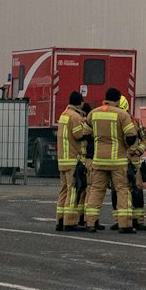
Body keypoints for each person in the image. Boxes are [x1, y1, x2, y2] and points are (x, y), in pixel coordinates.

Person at [87, 88, 135, 233]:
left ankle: (91, 223)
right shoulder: (122, 114)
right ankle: (124, 224)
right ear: (118, 100)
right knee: (122, 190)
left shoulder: (93, 113)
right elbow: (131, 136)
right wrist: (125, 146)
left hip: (99, 160)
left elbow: (85, 133)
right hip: (117, 161)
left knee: (96, 190)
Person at [53, 92, 91, 232]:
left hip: (63, 160)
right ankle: (69, 222)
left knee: (63, 190)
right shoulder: (75, 117)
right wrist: (88, 129)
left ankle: (60, 220)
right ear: (80, 102)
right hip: (73, 159)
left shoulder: (64, 114)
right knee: (73, 190)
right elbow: (79, 135)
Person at [119, 94, 146, 231]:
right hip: (120, 162)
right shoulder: (115, 122)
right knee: (119, 192)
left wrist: (138, 151)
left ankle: (139, 220)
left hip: (134, 163)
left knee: (137, 192)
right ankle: (120, 220)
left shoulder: (136, 122)